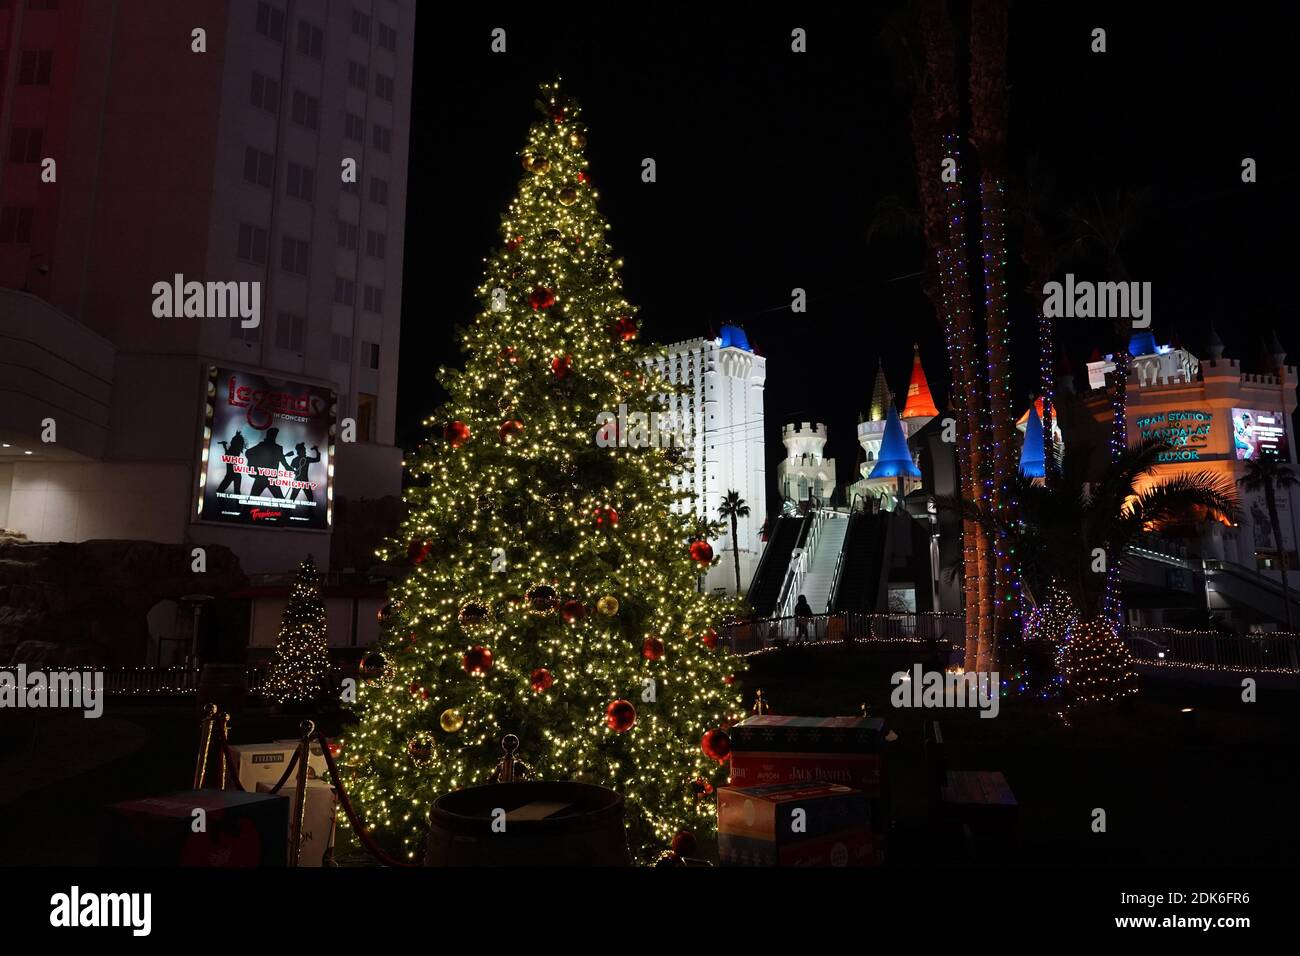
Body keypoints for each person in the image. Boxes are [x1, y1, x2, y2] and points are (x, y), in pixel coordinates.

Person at [246, 427, 292, 499]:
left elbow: (248, 452)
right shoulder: (276, 448)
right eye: (274, 435)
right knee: (282, 501)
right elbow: (248, 453)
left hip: (264, 479)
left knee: (251, 500)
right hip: (266, 479)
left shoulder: (266, 446)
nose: (274, 437)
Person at [215, 430, 246, 495]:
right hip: (232, 474)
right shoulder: (234, 449)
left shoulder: (235, 450)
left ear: (235, 442)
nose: (231, 440)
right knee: (235, 493)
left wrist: (225, 447)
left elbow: (228, 456)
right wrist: (225, 447)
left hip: (232, 474)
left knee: (221, 491)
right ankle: (228, 505)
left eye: (233, 439)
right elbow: (228, 456)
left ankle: (224, 505)